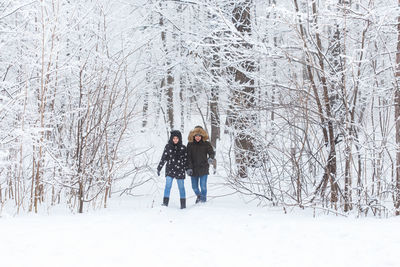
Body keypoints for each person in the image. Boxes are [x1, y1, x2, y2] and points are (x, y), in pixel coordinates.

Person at [157, 130, 187, 209]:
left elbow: (186, 160)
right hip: (170, 169)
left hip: (180, 170)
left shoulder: (183, 148)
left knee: (181, 188)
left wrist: (188, 169)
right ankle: (165, 203)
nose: (175, 140)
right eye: (174, 138)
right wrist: (159, 168)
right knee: (168, 186)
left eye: (177, 138)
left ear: (179, 139)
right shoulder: (168, 147)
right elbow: (163, 158)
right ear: (171, 138)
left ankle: (183, 205)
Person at [186, 126, 215, 204]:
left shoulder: (206, 144)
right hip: (193, 169)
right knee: (194, 187)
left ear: (202, 136)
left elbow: (212, 153)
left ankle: (203, 202)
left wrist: (211, 158)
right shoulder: (190, 144)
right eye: (196, 136)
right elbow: (188, 157)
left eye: (199, 136)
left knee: (203, 187)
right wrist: (188, 168)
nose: (198, 137)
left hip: (203, 168)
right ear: (193, 136)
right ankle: (199, 196)